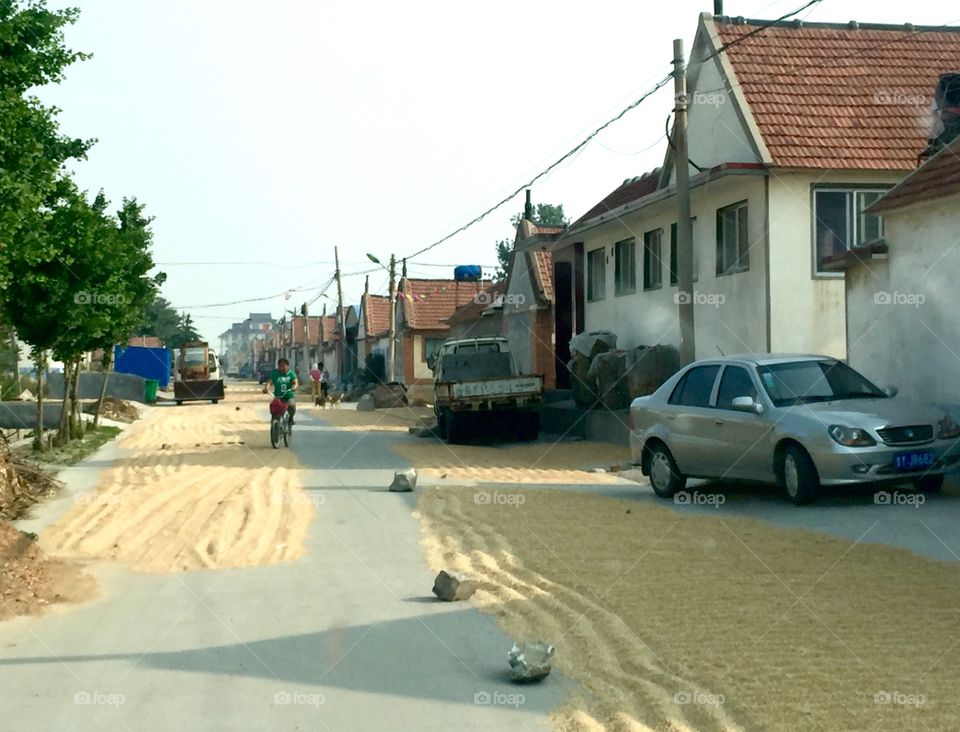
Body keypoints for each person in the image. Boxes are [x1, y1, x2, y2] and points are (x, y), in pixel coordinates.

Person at [262, 357, 298, 425]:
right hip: (278, 396)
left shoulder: (291, 374)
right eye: (280, 366)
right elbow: (269, 382)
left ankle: (291, 418)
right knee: (274, 407)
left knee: (292, 405)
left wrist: (294, 387)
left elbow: (295, 382)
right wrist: (266, 388)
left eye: (283, 366)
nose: (281, 368)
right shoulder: (275, 373)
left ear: (287, 366)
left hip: (288, 396)